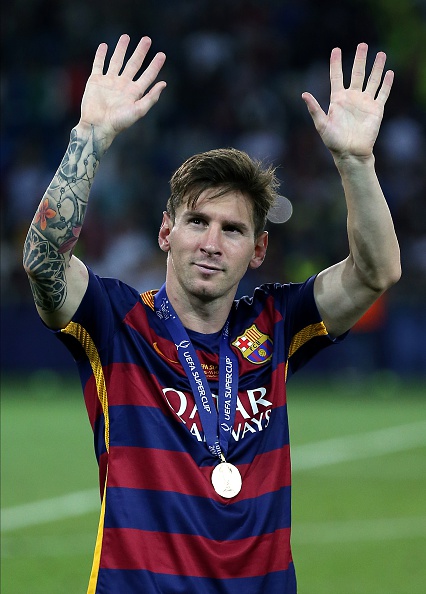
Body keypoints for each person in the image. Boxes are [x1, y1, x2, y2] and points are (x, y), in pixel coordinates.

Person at [23, 34, 400, 594]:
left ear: (258, 250)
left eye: (233, 230)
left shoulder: (277, 324)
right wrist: (91, 136)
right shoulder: (115, 324)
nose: (211, 243)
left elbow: (376, 273)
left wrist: (356, 161)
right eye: (197, 222)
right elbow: (43, 260)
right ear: (166, 232)